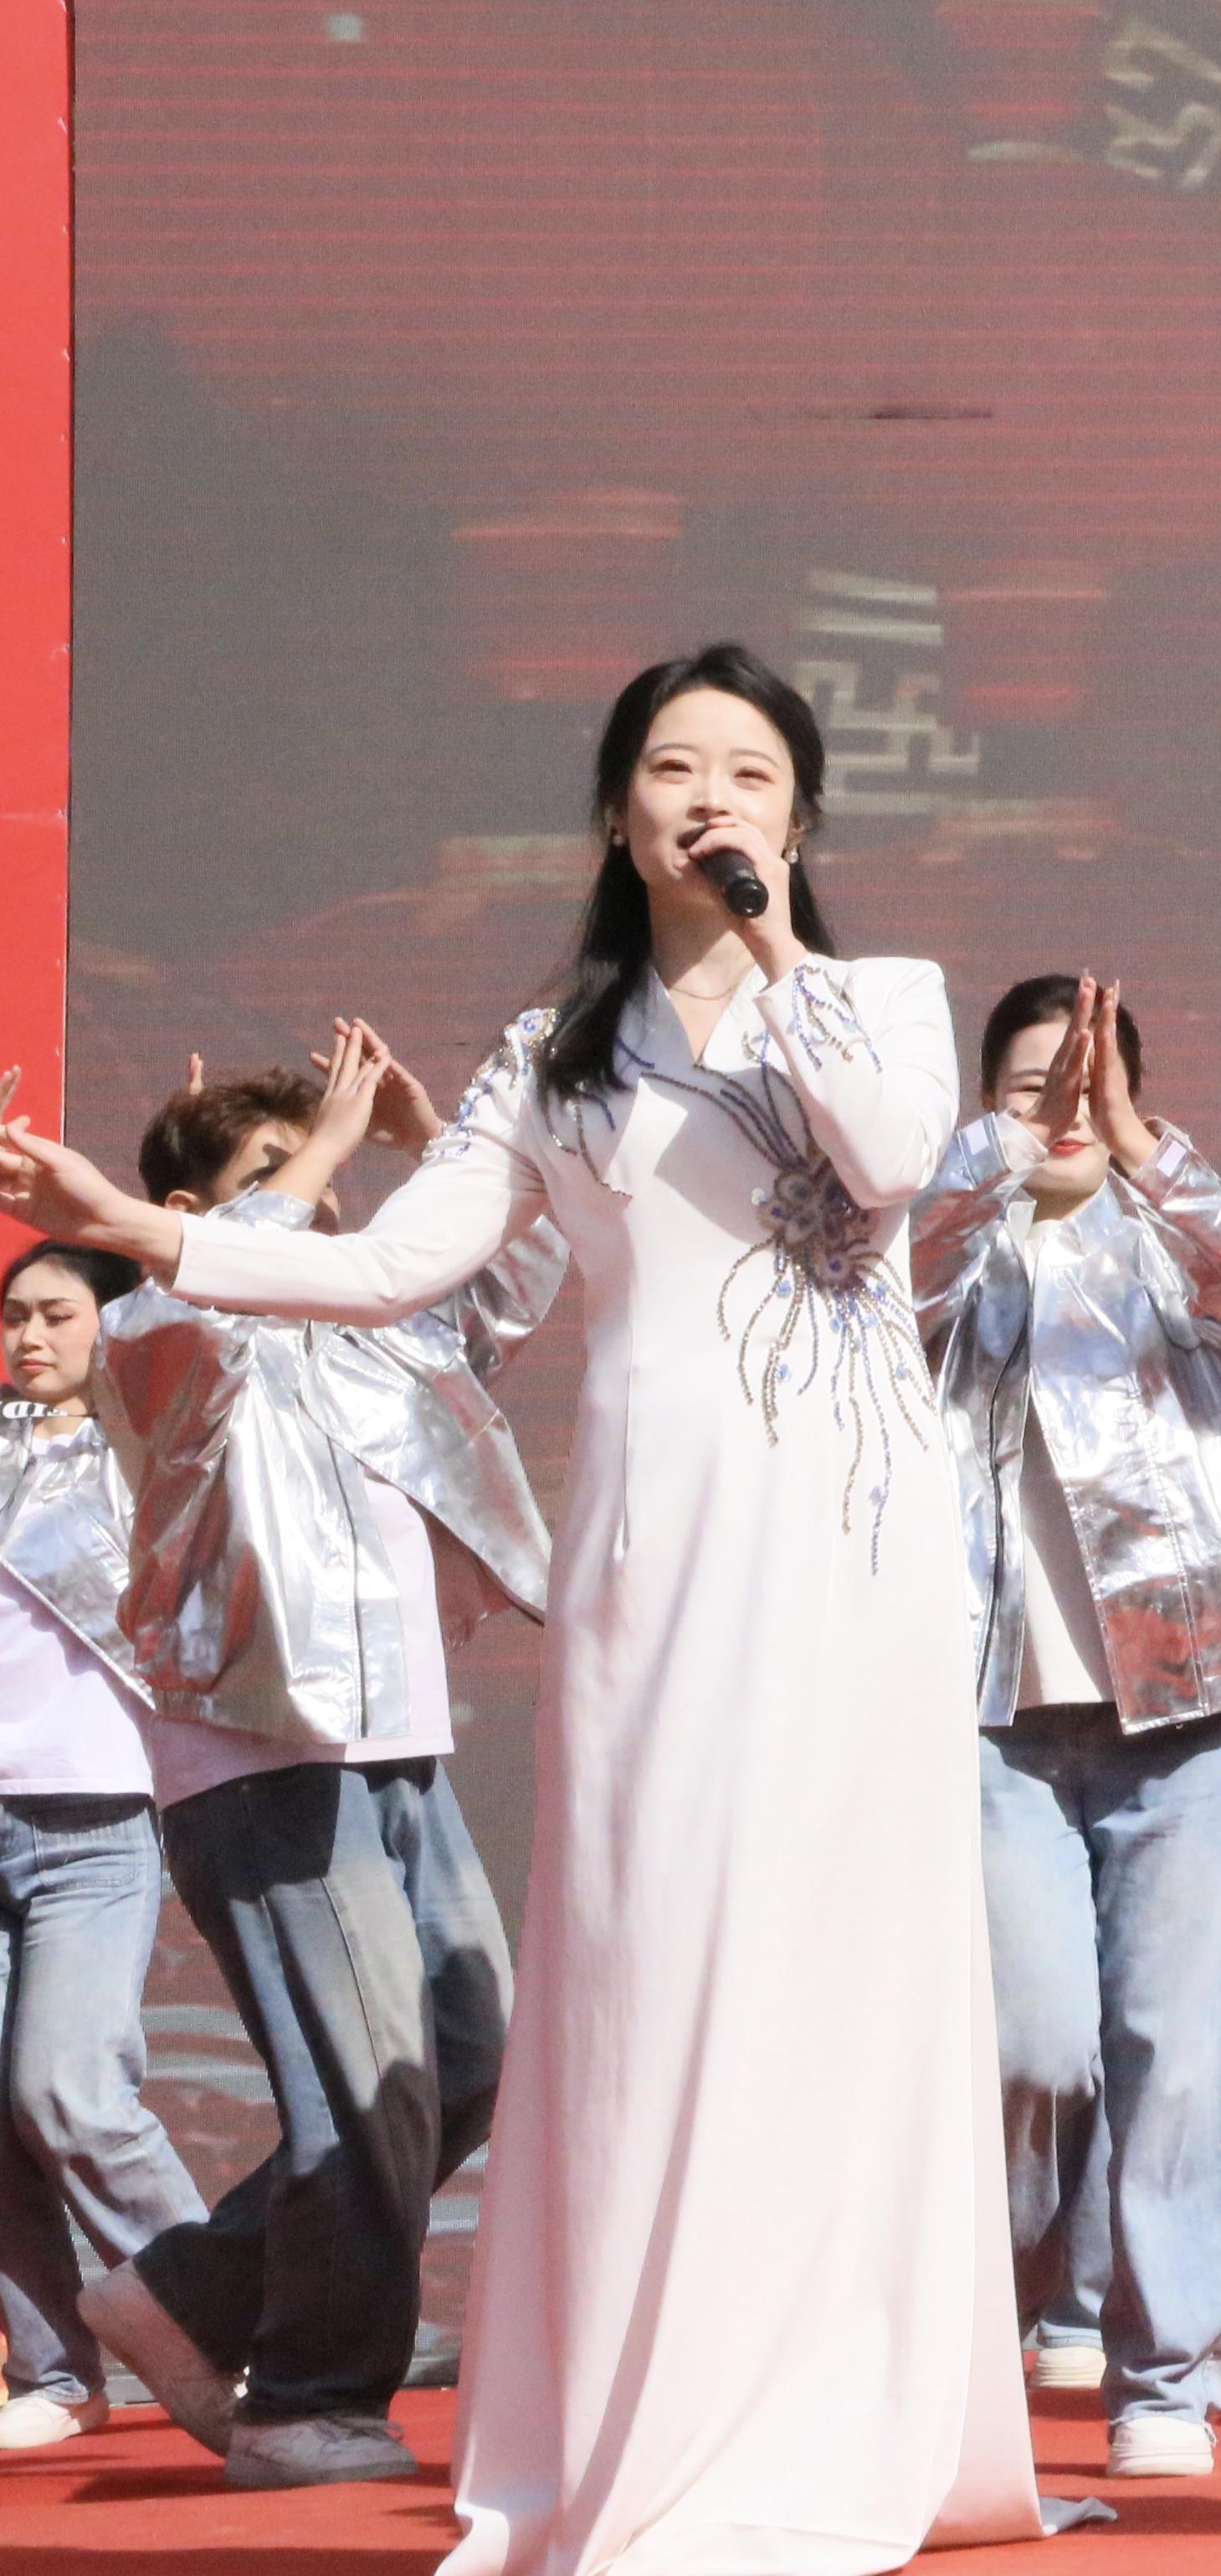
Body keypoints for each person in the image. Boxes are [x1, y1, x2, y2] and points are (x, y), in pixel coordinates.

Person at [0, 644, 1079, 2565]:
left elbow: (893, 1156)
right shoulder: (552, 1060)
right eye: (673, 767)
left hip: (859, 1550)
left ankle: (867, 2414)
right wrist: (146, 1229)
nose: (710, 797)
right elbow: (394, 1267)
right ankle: (665, 2415)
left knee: (856, 1958)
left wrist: (778, 947)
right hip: (662, 1546)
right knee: (655, 1959)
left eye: (751, 772)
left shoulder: (882, 1000)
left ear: (801, 814)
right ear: (612, 807)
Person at [67, 1040, 552, 2490]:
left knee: (463, 2055)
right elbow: (201, 1316)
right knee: (361, 2083)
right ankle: (306, 2398)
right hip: (264, 1752)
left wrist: (430, 1148)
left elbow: (505, 1286)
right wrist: (324, 1154)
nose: (322, 1202)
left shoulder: (373, 1331)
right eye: (275, 1177)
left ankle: (192, 2292)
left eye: (322, 1174)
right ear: (184, 1215)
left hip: (400, 1746)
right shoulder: (159, 1324)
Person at [916, 972, 1221, 2481]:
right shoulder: (938, 1258)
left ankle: (1169, 2378)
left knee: (1182, 2054)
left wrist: (1150, 1154)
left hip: (1186, 1708)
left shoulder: (1188, 1241)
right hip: (990, 1721)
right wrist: (991, 1161)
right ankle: (1039, 2299)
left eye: (1089, 1086)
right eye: (1031, 1087)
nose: (1063, 1112)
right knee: (1035, 2046)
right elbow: (892, 1277)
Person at [0, 1234, 208, 2453]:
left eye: (58, 1314)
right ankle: (55, 2373)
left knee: (66, 2085)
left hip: (92, 1820)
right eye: (14, 1315)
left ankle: (226, 2330)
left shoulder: (149, 1454)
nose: (29, 1336)